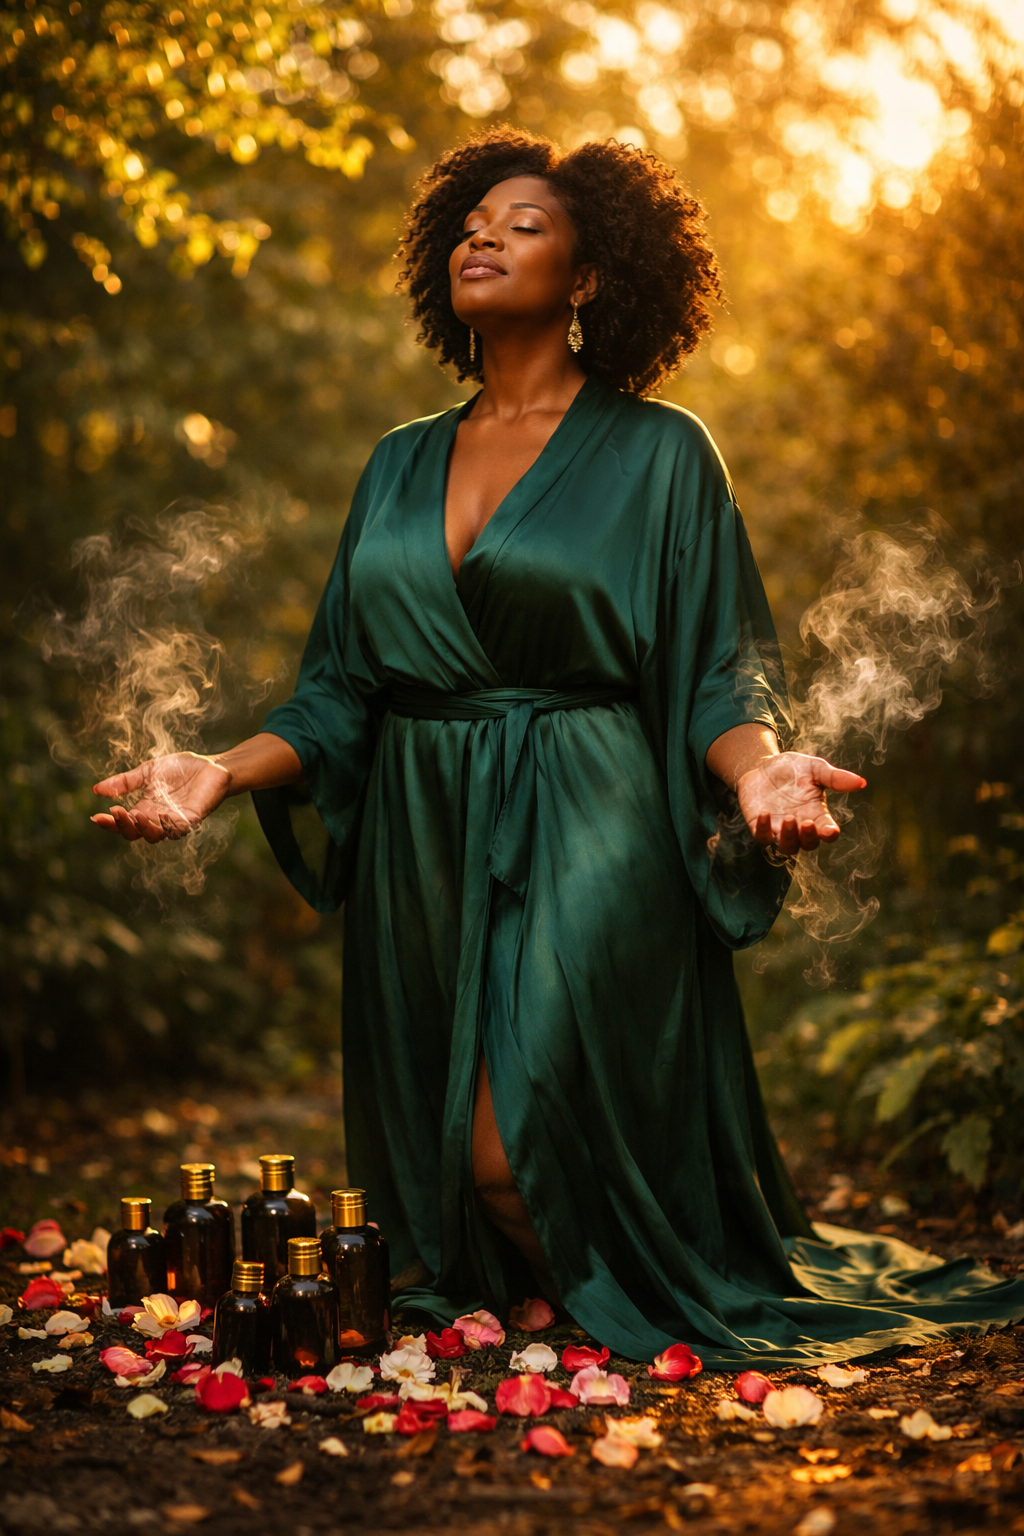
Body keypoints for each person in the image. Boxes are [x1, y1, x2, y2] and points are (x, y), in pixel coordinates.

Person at [93, 128, 1024, 1365]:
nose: (485, 234)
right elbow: (336, 698)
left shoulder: (661, 452)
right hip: (423, 832)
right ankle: (540, 1307)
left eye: (524, 223)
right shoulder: (396, 462)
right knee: (465, 1168)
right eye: (472, 220)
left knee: (505, 1156)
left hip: (592, 816)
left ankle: (627, 1277)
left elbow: (712, 670)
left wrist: (759, 772)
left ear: (590, 276)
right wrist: (215, 772)